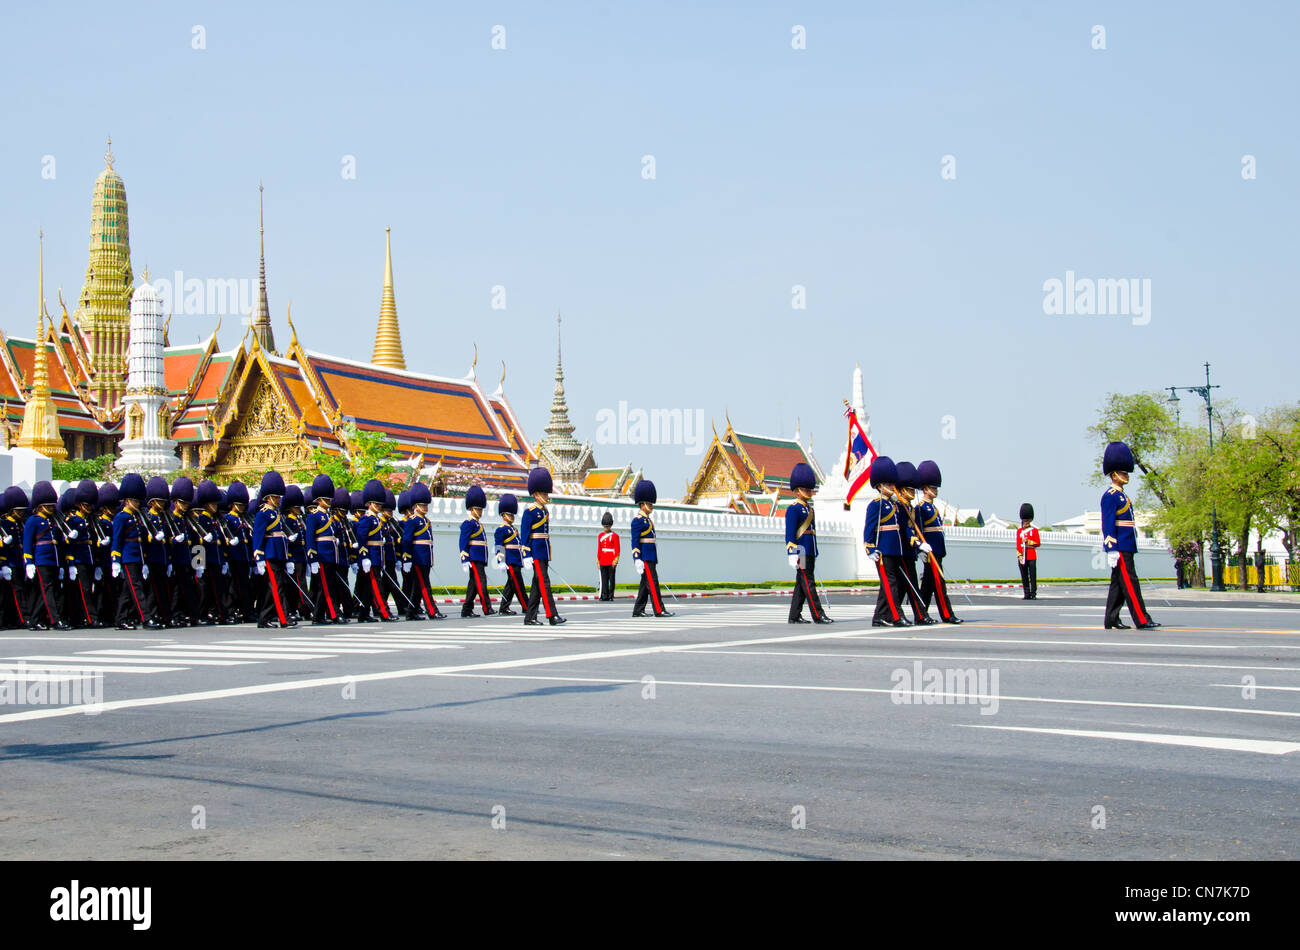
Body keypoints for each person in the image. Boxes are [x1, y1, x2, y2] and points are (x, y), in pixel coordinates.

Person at [1101, 441, 1161, 631]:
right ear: (1114, 474)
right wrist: (1111, 548)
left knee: (1118, 586)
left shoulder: (1122, 496)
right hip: (1120, 546)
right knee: (1130, 583)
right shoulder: (1110, 496)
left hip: (1127, 544)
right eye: (1123, 472)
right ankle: (1141, 618)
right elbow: (1107, 524)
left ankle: (1111, 619)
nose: (1126, 476)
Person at [863, 456, 910, 627]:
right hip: (882, 550)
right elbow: (869, 528)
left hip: (895, 549)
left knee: (889, 584)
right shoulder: (876, 505)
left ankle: (879, 616)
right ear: (880, 486)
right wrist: (870, 548)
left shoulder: (895, 506)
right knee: (891, 584)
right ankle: (896, 616)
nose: (892, 488)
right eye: (889, 485)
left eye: (892, 484)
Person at [111, 473, 161, 630]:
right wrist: (115, 560)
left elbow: (142, 540)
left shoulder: (138, 517)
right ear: (127, 501)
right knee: (137, 588)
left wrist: (144, 560)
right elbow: (117, 540)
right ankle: (146, 618)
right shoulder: (121, 517)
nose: (138, 503)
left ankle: (121, 618)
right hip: (127, 557)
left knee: (128, 590)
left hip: (137, 557)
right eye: (134, 500)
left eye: (138, 500)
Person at [914, 460, 961, 624]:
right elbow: (918, 531)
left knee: (927, 587)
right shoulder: (921, 508)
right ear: (925, 489)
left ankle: (921, 614)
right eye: (933, 487)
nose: (936, 490)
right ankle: (947, 614)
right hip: (931, 552)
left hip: (937, 550)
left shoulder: (932, 507)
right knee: (939, 585)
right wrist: (921, 550)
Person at [22, 481, 70, 630]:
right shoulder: (33, 521)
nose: (51, 507)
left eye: (52, 505)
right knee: (47, 590)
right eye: (48, 505)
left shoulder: (53, 520)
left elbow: (58, 542)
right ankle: (55, 620)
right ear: (40, 506)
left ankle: (35, 620)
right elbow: (27, 543)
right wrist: (29, 562)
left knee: (49, 590)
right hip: (41, 559)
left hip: (53, 560)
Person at [251, 471, 296, 629]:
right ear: (268, 497)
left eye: (279, 497)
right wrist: (259, 558)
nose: (278, 499)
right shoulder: (262, 514)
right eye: (275, 497)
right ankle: (284, 617)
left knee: (276, 587)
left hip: (279, 553)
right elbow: (257, 537)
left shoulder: (277, 514)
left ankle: (264, 618)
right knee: (277, 586)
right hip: (270, 554)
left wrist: (288, 556)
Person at [785, 462, 829, 624]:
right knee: (808, 582)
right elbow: (790, 533)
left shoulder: (810, 509)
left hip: (809, 549)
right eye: (805, 489)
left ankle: (794, 615)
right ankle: (818, 614)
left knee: (801, 584)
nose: (808, 492)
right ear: (797, 491)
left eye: (809, 489)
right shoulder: (794, 509)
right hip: (800, 550)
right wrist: (791, 552)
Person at [521, 467, 565, 626]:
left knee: (537, 586)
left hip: (544, 551)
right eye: (544, 494)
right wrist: (526, 554)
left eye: (547, 493)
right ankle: (552, 615)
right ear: (536, 494)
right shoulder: (530, 512)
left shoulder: (544, 511)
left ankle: (530, 617)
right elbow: (525, 534)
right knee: (544, 583)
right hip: (536, 552)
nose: (547, 496)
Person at [892, 462, 934, 625]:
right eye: (910, 489)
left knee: (903, 586)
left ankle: (887, 613)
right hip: (903, 549)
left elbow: (916, 529)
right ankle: (920, 615)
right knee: (912, 584)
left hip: (910, 551)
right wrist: (917, 544)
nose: (912, 492)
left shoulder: (910, 508)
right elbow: (905, 531)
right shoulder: (900, 508)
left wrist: (919, 549)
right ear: (902, 490)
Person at [305, 475, 345, 625]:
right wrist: (313, 558)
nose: (329, 502)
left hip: (331, 556)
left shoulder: (329, 517)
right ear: (319, 500)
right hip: (321, 556)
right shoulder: (313, 517)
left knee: (326, 588)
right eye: (326, 499)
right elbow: (310, 539)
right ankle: (334, 614)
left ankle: (318, 616)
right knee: (326, 588)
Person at [403, 482, 446, 620]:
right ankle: (432, 611)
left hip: (426, 558)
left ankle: (411, 612)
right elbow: (407, 540)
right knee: (425, 586)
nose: (425, 507)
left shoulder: (426, 521)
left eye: (426, 505)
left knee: (417, 587)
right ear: (416, 506)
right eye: (422, 505)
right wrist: (407, 558)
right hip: (417, 558)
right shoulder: (412, 521)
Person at [631, 481, 673, 618]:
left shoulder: (647, 520)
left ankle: (638, 610)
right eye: (649, 504)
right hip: (645, 557)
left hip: (651, 555)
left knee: (645, 585)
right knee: (653, 584)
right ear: (642, 505)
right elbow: (635, 541)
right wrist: (637, 559)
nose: (652, 506)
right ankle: (659, 610)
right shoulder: (638, 521)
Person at [356, 480, 394, 622]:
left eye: (380, 504)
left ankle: (363, 614)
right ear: (370, 504)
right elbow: (361, 538)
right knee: (377, 586)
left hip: (378, 556)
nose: (379, 506)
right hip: (370, 556)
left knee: (367, 588)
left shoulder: (378, 520)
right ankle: (383, 612)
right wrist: (364, 556)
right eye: (376, 504)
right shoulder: (366, 519)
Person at [459, 485, 494, 617]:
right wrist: (464, 558)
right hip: (473, 557)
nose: (480, 511)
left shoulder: (478, 524)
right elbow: (463, 542)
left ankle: (467, 609)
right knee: (481, 583)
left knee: (473, 585)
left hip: (479, 557)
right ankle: (487, 607)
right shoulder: (468, 523)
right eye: (477, 509)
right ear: (471, 508)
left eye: (481, 509)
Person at [493, 494, 527, 615]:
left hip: (517, 559)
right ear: (503, 515)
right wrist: (501, 561)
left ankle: (504, 607)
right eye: (509, 514)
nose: (512, 517)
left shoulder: (514, 529)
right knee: (518, 585)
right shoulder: (501, 529)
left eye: (512, 514)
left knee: (511, 586)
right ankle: (526, 605)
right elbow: (499, 546)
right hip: (510, 560)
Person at [1016, 503, 1039, 600]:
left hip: (1031, 555)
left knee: (1032, 576)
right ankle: (1026, 593)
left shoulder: (1034, 531)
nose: (1026, 522)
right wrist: (1019, 555)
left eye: (1027, 521)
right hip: (1022, 556)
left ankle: (1033, 593)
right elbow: (1018, 544)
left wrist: (1028, 541)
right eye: (1025, 521)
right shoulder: (1019, 531)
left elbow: (1037, 543)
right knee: (1024, 576)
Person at [597, 512, 619, 602]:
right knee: (604, 579)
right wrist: (598, 561)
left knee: (611, 578)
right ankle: (604, 595)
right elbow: (599, 549)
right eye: (605, 526)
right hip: (603, 559)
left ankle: (611, 595)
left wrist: (615, 560)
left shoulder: (615, 536)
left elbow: (617, 549)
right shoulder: (600, 536)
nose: (606, 528)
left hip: (611, 560)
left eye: (608, 526)